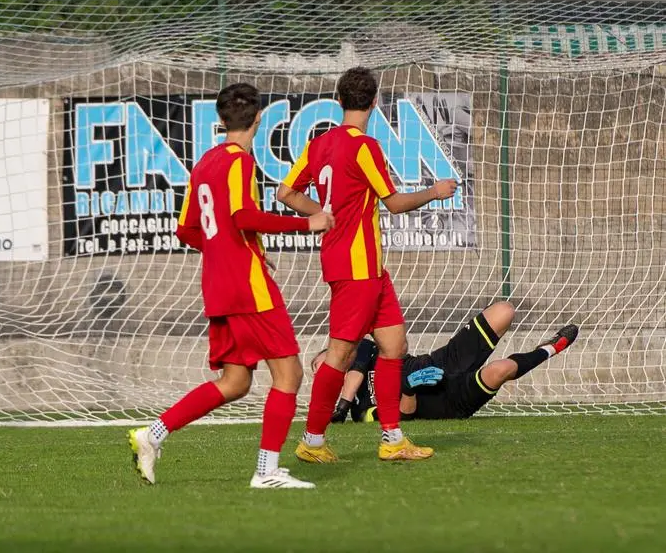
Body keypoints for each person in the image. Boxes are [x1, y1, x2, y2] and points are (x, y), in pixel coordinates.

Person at [128, 82, 334, 489]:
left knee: (235, 382)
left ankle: (151, 435)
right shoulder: (240, 162)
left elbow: (186, 229)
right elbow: (241, 216)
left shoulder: (204, 163)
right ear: (259, 118)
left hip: (219, 287)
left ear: (220, 121)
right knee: (289, 375)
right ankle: (266, 471)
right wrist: (305, 222)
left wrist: (238, 249)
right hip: (247, 287)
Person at [277, 67, 458, 462]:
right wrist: (436, 191)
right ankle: (312, 441)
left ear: (339, 101)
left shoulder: (318, 145)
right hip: (355, 269)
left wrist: (319, 213)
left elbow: (285, 192)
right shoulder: (364, 147)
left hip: (370, 270)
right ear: (375, 103)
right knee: (340, 356)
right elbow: (392, 203)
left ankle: (392, 439)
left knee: (394, 346)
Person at [311, 301, 579, 422]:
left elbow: (388, 349)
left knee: (504, 310)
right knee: (502, 369)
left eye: (324, 361)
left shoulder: (365, 351)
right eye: (319, 371)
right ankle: (550, 349)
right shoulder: (361, 412)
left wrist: (342, 403)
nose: (326, 368)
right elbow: (405, 415)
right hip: (449, 403)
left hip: (442, 361)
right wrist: (408, 388)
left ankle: (542, 348)